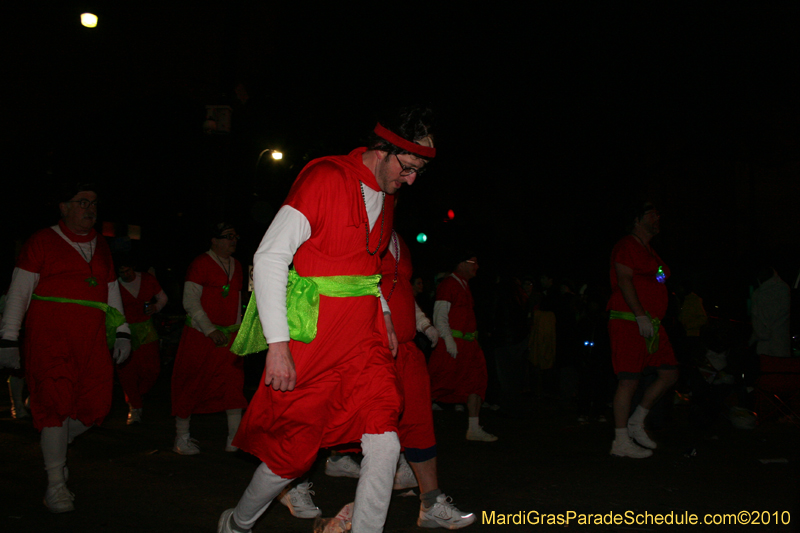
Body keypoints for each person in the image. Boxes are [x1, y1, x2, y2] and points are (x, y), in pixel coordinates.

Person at [217, 107, 436, 533]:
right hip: (315, 340)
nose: (411, 180)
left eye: (418, 172)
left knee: (385, 441)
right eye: (408, 168)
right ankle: (238, 523)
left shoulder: (388, 195)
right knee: (289, 456)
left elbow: (367, 271)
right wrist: (278, 346)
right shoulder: (325, 177)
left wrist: (385, 314)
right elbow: (270, 257)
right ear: (382, 150)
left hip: (365, 340)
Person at [0, 183, 131, 512]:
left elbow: (111, 289)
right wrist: (8, 338)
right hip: (51, 339)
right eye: (82, 202)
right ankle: (56, 483)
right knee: (55, 406)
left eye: (94, 203)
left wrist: (123, 331)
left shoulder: (101, 245)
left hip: (92, 341)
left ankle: (56, 436)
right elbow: (19, 291)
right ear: (63, 207)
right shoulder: (41, 241)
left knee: (97, 406)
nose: (90, 209)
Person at [381, 230, 474, 529]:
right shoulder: (359, 230)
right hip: (373, 348)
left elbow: (401, 291)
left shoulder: (398, 241)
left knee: (419, 422)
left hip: (406, 350)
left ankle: (431, 502)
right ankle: (299, 476)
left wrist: (422, 323)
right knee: (372, 428)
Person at [607, 202, 679, 458]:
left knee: (669, 373)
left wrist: (657, 278)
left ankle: (636, 422)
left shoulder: (650, 252)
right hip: (630, 321)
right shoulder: (627, 245)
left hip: (652, 324)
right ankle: (620, 440)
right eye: (651, 214)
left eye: (658, 214)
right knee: (628, 380)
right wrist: (639, 315)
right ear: (637, 220)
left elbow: (660, 277)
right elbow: (624, 279)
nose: (657, 218)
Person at [171, 222, 246, 455]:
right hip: (200, 336)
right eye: (228, 236)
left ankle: (234, 438)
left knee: (233, 384)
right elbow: (190, 301)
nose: (233, 240)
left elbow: (237, 300)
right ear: (214, 240)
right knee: (191, 383)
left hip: (229, 336)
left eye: (235, 236)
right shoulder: (200, 263)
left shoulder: (237, 265)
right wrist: (209, 329)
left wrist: (240, 330)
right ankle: (181, 438)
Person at [428, 253, 498, 442]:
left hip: (469, 346)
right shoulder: (448, 284)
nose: (477, 267)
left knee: (476, 382)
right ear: (460, 264)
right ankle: (412, 427)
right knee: (436, 385)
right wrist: (448, 340)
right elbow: (440, 316)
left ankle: (474, 428)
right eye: (473, 262)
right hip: (452, 345)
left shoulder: (464, 285)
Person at [115, 256, 168, 424]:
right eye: (122, 272)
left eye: (128, 270)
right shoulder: (114, 285)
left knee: (152, 369)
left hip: (146, 330)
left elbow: (163, 298)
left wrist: (156, 307)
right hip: (124, 331)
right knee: (127, 372)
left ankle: (137, 395)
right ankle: (135, 407)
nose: (126, 274)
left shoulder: (147, 279)